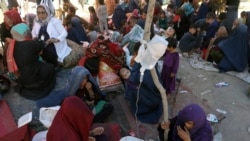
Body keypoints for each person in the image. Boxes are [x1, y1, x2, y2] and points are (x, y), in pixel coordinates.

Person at [9, 23, 55, 100]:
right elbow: (41, 45)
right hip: (33, 80)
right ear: (26, 33)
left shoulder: (12, 45)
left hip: (20, 78)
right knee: (50, 67)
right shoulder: (30, 43)